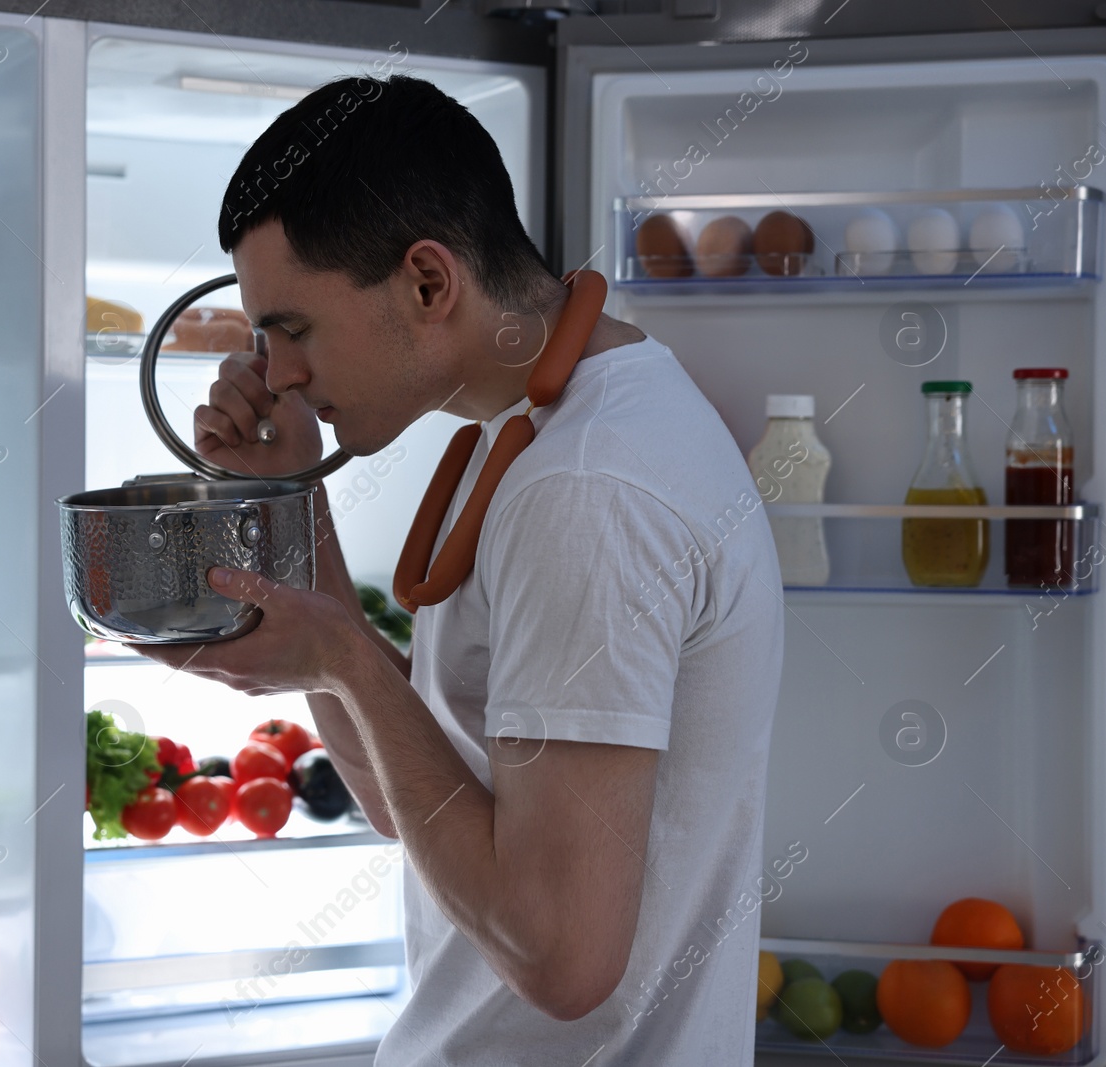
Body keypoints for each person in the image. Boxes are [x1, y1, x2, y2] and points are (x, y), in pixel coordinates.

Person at [138, 73, 784, 1065]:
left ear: (429, 283)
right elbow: (421, 810)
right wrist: (292, 500)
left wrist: (348, 655)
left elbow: (563, 958)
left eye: (294, 328)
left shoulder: (585, 488)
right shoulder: (542, 428)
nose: (276, 374)